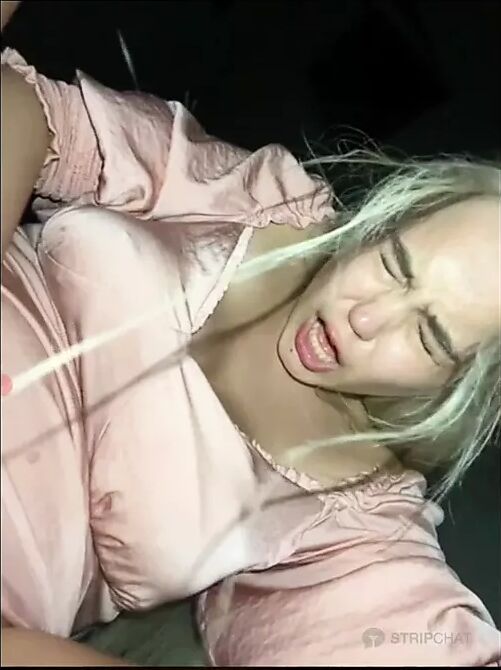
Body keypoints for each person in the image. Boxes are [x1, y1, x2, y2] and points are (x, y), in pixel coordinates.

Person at [1, 9, 500, 667]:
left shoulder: (361, 524)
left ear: (457, 388)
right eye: (394, 262)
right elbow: (33, 110)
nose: (367, 316)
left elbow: (419, 645)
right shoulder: (265, 203)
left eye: (428, 336)